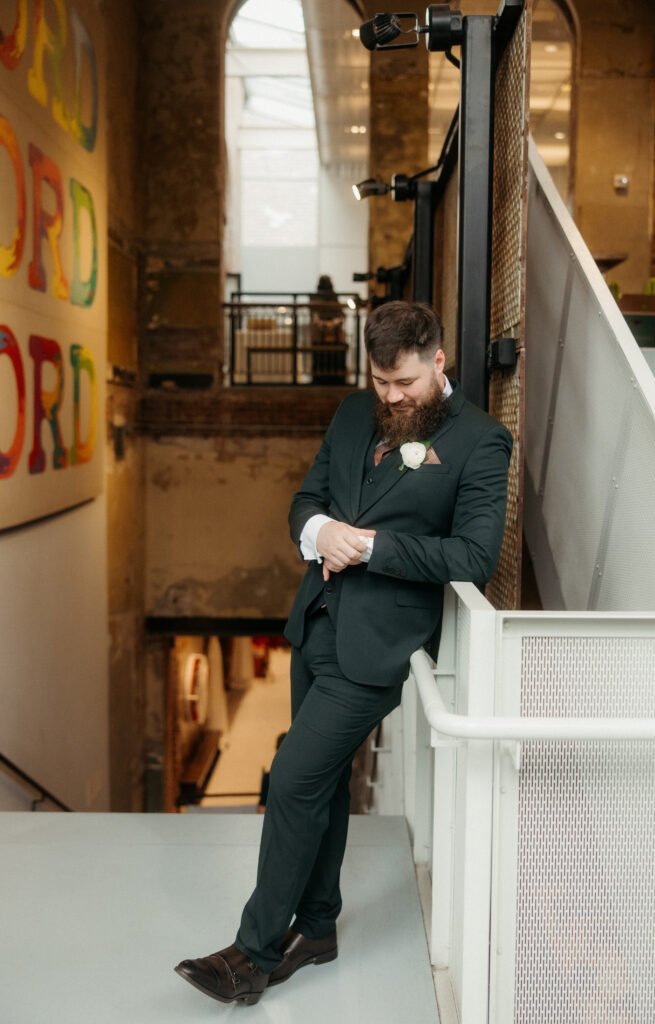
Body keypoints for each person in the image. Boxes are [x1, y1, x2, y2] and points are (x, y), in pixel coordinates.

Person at [174, 301, 513, 1006]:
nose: (389, 397)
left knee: (292, 778)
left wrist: (367, 546)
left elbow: (475, 553)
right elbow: (305, 499)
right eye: (380, 381)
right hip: (317, 622)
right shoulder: (353, 413)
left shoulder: (482, 439)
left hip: (378, 644)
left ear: (437, 363)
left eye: (404, 384)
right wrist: (321, 529)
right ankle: (318, 928)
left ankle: (254, 953)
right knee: (322, 785)